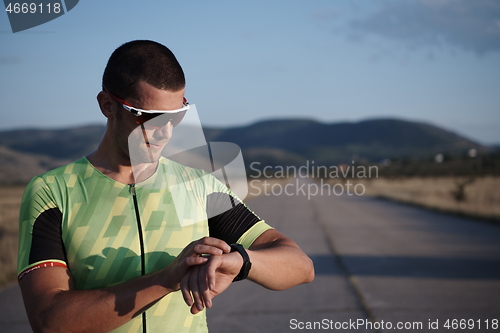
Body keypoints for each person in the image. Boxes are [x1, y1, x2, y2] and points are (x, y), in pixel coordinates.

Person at [17, 40, 314, 333]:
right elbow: (49, 320)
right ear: (108, 105)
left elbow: (300, 266)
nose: (165, 133)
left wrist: (241, 260)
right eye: (149, 118)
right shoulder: (53, 191)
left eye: (176, 116)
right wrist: (166, 279)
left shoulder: (198, 187)